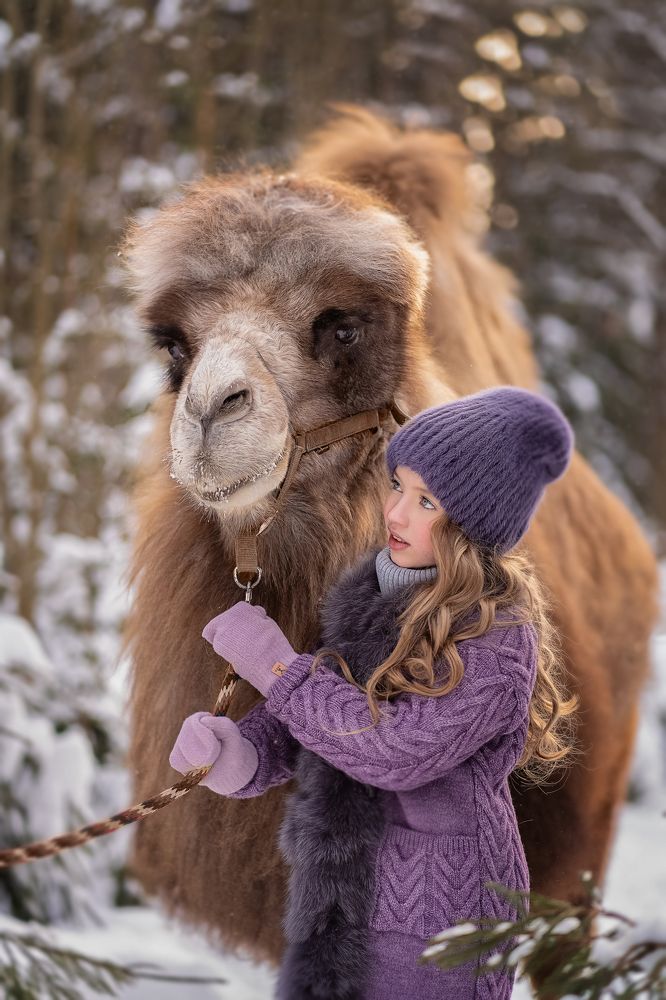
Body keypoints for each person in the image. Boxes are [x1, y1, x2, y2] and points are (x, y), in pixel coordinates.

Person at [169, 385, 580, 1000]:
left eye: (427, 501)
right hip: (345, 903)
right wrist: (243, 754)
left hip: (441, 924)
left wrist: (275, 665)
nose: (396, 513)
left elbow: (393, 750)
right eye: (397, 485)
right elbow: (323, 713)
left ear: (474, 526)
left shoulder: (495, 637)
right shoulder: (374, 595)